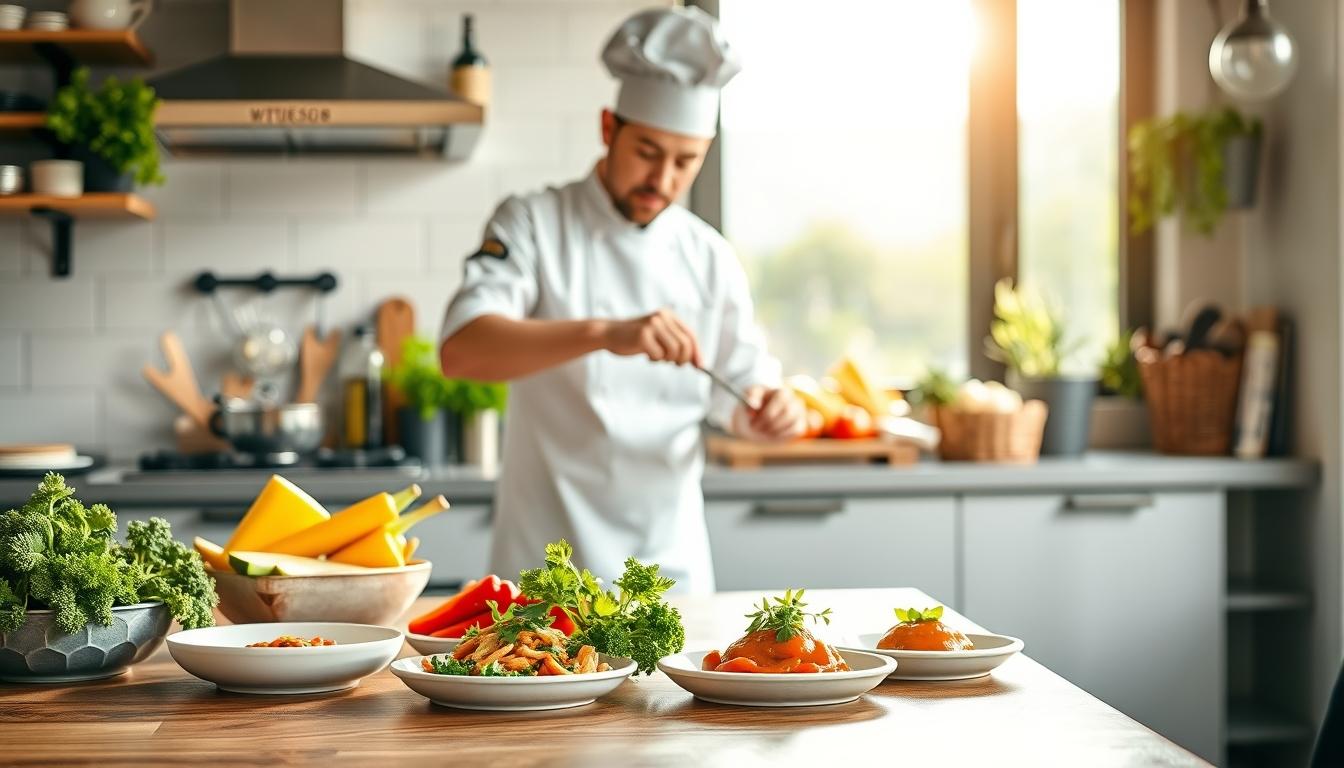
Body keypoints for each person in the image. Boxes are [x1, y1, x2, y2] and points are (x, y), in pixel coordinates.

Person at [439, 6, 804, 593]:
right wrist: (608, 333)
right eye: (648, 152)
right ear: (609, 128)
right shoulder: (533, 222)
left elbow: (740, 389)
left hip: (672, 578)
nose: (662, 178)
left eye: (686, 161)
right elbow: (463, 352)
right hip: (543, 576)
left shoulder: (708, 257)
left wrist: (769, 410)